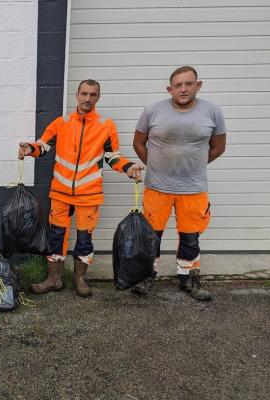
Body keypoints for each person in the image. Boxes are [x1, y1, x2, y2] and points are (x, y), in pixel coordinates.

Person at [19, 79, 143, 297]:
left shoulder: (106, 126)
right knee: (56, 236)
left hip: (89, 195)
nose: (88, 99)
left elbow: (112, 156)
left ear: (98, 97)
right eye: (84, 94)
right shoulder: (61, 123)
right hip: (60, 193)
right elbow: (43, 146)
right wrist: (29, 148)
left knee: (85, 239)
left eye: (92, 95)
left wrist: (129, 167)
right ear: (76, 95)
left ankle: (80, 279)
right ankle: (53, 279)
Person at [132, 66, 226, 301]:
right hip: (157, 187)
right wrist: (155, 166)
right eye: (178, 85)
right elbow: (138, 143)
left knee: (190, 237)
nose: (183, 89)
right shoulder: (153, 110)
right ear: (170, 89)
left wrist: (194, 166)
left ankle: (188, 280)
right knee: (151, 235)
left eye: (189, 83)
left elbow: (218, 147)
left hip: (193, 188)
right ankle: (146, 277)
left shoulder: (212, 111)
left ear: (198, 85)